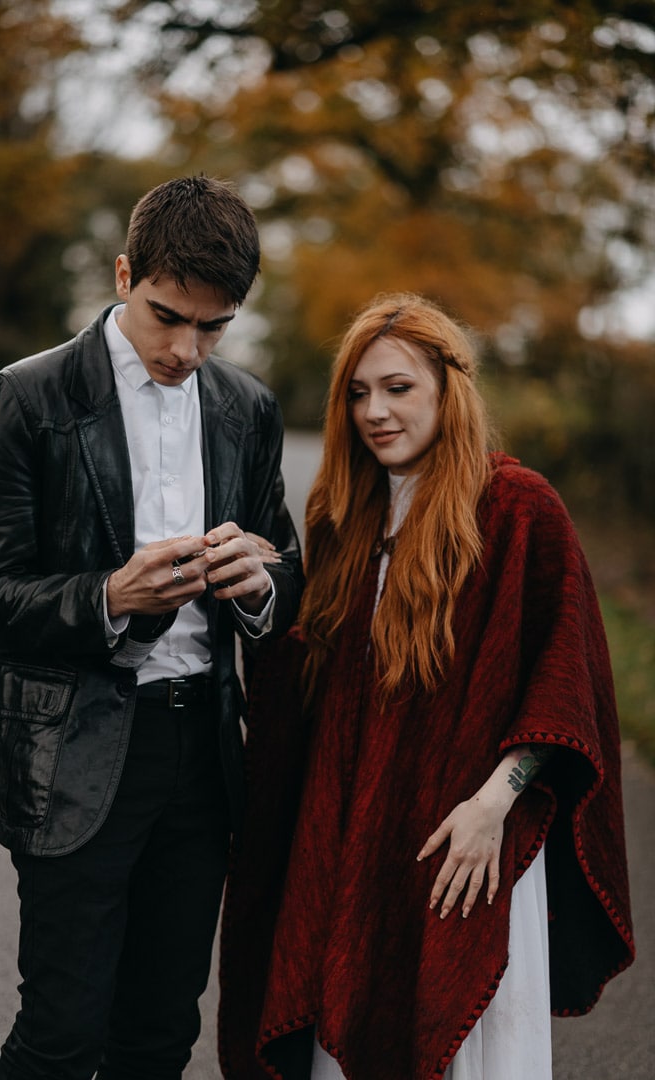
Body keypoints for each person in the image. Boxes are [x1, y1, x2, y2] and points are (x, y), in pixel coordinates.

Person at [217, 292, 635, 1080]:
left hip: (466, 842)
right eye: (358, 392)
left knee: (461, 1045)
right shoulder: (342, 515)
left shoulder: (517, 508)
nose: (375, 411)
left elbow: (565, 680)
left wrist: (493, 805)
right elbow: (314, 691)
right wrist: (257, 600)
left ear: (450, 388)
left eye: (398, 387)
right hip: (356, 834)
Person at [0, 174, 304, 1080]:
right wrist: (111, 596)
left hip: (202, 752)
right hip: (75, 748)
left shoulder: (248, 409)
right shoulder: (26, 397)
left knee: (160, 1034)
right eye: (168, 317)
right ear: (123, 275)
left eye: (214, 326)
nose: (188, 349)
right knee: (62, 1035)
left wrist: (256, 587)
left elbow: (287, 571)